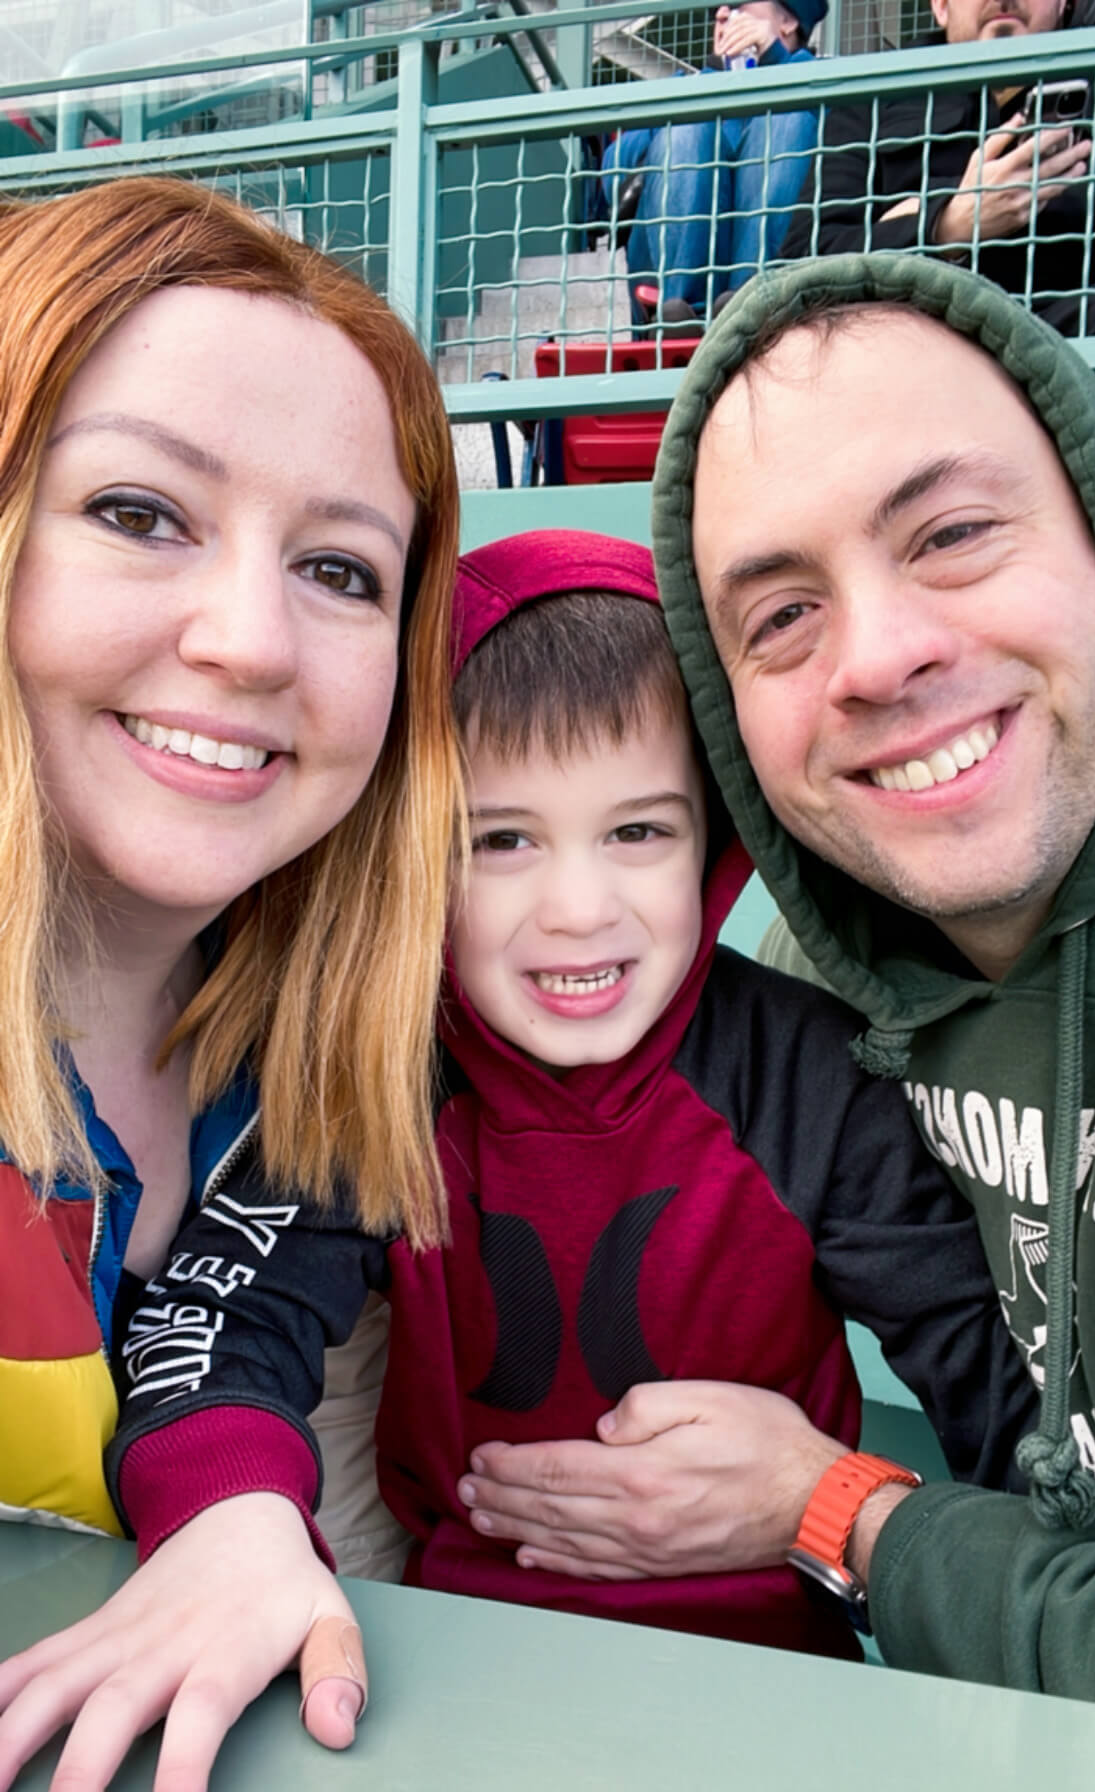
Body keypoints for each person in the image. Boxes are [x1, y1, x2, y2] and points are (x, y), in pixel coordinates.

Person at [91, 533, 1032, 1678]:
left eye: (638, 830)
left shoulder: (812, 1081)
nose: (579, 909)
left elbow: (1001, 1395)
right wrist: (225, 1515)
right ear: (412, 855)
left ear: (712, 845)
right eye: (500, 840)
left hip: (782, 1668)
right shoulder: (382, 1074)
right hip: (454, 1658)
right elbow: (224, 1322)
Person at [0, 175, 461, 1792]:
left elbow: (230, 1329)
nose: (252, 640)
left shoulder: (315, 1062)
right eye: (139, 511)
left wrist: (238, 1519)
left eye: (342, 568)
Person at [642, 249, 1095, 1702]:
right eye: (779, 616)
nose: (878, 657)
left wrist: (840, 1512)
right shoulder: (824, 998)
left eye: (955, 533)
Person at [782, 0, 1095, 348]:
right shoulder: (874, 92)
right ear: (941, 6)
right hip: (915, 339)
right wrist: (947, 223)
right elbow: (805, 257)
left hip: (1068, 330)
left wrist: (913, 213)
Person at [602, 1, 826, 328]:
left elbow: (845, 149)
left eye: (739, 4)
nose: (722, 13)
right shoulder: (683, 87)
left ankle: (754, 302)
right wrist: (704, 86)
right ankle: (683, 315)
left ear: (788, 21)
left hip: (783, 294)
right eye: (717, 8)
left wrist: (775, 61)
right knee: (686, 124)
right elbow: (611, 176)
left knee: (788, 118)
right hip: (669, 297)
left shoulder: (824, 81)